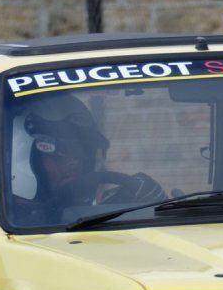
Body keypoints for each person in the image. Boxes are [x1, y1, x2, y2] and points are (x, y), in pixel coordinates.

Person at [13, 92, 163, 224]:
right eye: (59, 155)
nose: (74, 162)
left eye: (82, 153)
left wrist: (148, 206)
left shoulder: (93, 208)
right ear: (25, 157)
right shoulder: (10, 219)